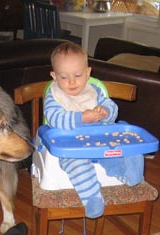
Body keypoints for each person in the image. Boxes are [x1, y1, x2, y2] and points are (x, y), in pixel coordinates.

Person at [44, 42, 144, 218]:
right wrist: (81, 118)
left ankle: (128, 173)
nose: (72, 81)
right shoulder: (54, 96)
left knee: (122, 145)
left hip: (100, 139)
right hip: (70, 145)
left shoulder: (95, 90)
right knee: (76, 164)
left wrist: (105, 112)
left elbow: (112, 108)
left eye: (78, 75)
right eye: (64, 77)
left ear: (88, 73)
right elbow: (55, 119)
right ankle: (92, 197)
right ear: (54, 76)